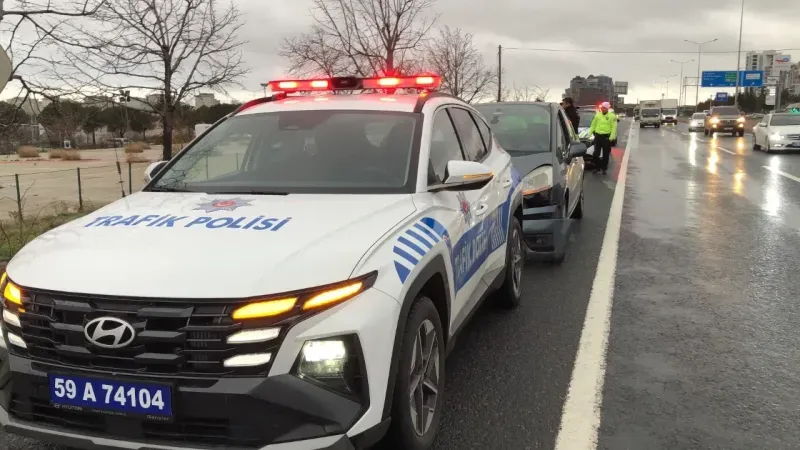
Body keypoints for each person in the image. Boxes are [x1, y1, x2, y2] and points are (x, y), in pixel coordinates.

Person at [587, 101, 617, 174]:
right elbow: (593, 125)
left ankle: (604, 168)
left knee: (605, 154)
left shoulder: (612, 116)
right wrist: (589, 134)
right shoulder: (597, 115)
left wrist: (611, 138)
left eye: (604, 108)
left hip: (606, 137)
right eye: (602, 108)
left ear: (607, 108)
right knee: (596, 153)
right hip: (598, 136)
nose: (602, 109)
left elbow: (614, 127)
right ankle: (597, 167)